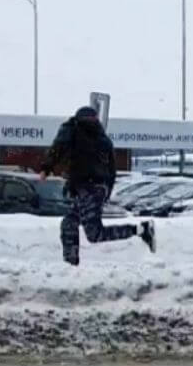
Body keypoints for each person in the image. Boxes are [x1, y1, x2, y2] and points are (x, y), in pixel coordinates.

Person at [40, 106, 155, 266]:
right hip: (90, 188)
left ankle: (141, 230)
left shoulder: (74, 130)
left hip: (90, 188)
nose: (91, 122)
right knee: (69, 224)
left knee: (94, 234)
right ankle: (70, 265)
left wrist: (47, 168)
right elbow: (112, 169)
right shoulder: (101, 138)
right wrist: (106, 190)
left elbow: (58, 148)